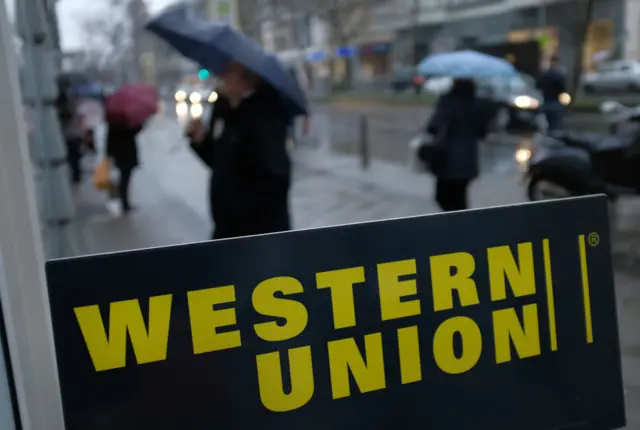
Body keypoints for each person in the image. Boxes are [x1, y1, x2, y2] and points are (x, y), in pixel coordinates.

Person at [186, 62, 293, 240]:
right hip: (226, 229)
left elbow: (275, 178)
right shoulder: (223, 109)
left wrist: (240, 209)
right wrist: (201, 140)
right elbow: (219, 162)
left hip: (259, 233)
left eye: (229, 72)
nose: (222, 76)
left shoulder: (265, 115)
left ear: (246, 77)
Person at [426, 78, 490, 212]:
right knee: (460, 197)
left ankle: (456, 226)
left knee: (442, 196)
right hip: (468, 159)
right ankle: (460, 225)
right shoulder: (479, 104)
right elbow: (482, 133)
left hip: (446, 158)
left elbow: (433, 126)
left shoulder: (447, 101)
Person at [106, 119, 143, 214]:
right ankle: (124, 202)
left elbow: (109, 138)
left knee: (124, 177)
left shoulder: (113, 122)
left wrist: (109, 153)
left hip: (119, 153)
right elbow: (135, 131)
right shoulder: (128, 122)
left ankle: (123, 200)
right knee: (125, 178)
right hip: (127, 152)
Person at [536, 55, 567, 133]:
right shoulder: (559, 75)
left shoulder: (544, 74)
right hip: (555, 102)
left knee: (547, 122)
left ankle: (549, 135)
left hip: (546, 100)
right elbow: (562, 89)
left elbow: (538, 86)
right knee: (555, 124)